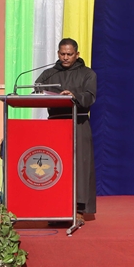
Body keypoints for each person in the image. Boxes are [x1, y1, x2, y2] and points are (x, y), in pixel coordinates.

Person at [35, 38, 97, 223]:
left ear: (77, 54)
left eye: (69, 54)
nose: (65, 57)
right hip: (55, 124)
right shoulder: (49, 73)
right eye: (62, 54)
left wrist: (74, 95)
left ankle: (78, 209)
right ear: (58, 53)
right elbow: (37, 89)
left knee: (79, 166)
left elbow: (90, 96)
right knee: (56, 165)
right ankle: (56, 206)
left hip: (78, 123)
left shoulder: (87, 73)